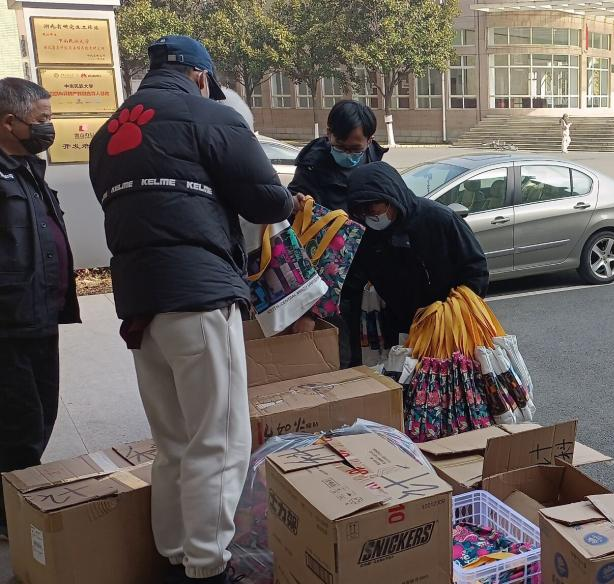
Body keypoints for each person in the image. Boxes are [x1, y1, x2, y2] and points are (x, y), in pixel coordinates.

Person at [88, 36, 299, 584]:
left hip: (139, 303)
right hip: (199, 295)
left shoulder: (107, 133)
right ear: (201, 76)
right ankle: (207, 565)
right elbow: (265, 198)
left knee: (174, 441)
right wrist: (290, 202)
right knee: (219, 439)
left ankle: (176, 556)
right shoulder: (211, 116)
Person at [0, 78, 80, 540]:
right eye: (42, 119)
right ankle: (11, 517)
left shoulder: (29, 168)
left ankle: (16, 501)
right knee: (20, 423)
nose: (49, 127)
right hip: (8, 323)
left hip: (40, 315)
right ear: (9, 122)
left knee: (41, 413)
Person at [288, 100, 386, 366]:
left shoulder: (376, 164)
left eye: (355, 149)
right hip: (328, 281)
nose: (347, 154)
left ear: (369, 140)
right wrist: (309, 308)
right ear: (328, 133)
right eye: (340, 147)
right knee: (338, 358)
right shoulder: (311, 169)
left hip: (368, 278)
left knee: (373, 356)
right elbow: (301, 242)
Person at [346, 162, 489, 341]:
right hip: (403, 327)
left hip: (449, 325)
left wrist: (454, 313)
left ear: (391, 198)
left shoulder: (440, 220)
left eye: (372, 208)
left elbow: (476, 270)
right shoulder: (367, 233)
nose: (368, 216)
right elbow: (355, 278)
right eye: (361, 211)